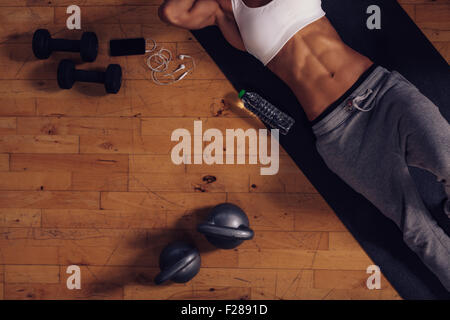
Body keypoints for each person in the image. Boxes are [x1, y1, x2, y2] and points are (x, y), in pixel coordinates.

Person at [158, 0, 450, 291]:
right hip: (340, 133)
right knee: (415, 228)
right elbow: (171, 12)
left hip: (383, 93)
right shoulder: (224, 11)